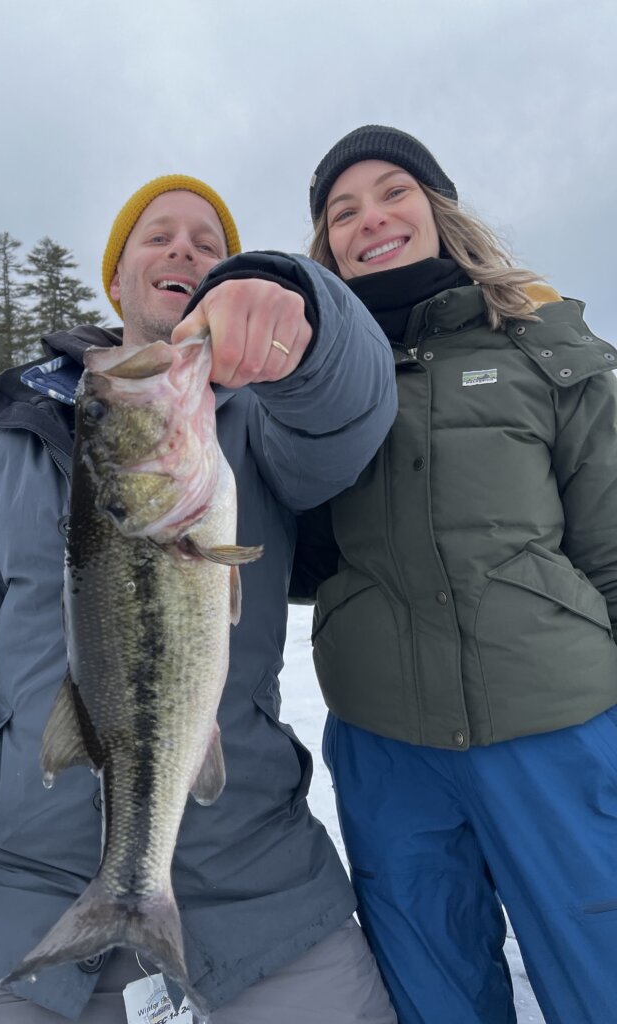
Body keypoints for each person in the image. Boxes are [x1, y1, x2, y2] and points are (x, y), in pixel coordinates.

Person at [0, 174, 398, 1024]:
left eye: (208, 244)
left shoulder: (262, 419)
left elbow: (350, 408)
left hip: (265, 891)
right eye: (157, 236)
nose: (183, 248)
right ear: (116, 279)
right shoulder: (6, 450)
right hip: (40, 901)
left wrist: (299, 301)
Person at [292, 124, 617, 1024]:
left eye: (393, 191)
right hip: (386, 745)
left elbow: (612, 549)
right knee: (436, 995)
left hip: (556, 729)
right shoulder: (314, 383)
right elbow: (301, 560)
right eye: (343, 211)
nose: (372, 219)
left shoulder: (546, 352)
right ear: (328, 249)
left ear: (436, 208)